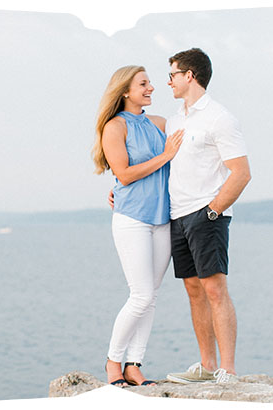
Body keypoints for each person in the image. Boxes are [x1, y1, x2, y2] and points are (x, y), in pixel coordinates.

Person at [159, 48, 251, 384]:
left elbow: (241, 173)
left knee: (215, 290)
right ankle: (207, 365)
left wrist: (212, 211)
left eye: (172, 74)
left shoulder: (219, 117)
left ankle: (228, 369)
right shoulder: (174, 120)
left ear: (190, 75)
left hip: (206, 215)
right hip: (178, 215)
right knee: (194, 291)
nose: (168, 81)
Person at [93, 65, 184, 386]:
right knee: (141, 295)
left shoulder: (159, 123)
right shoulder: (114, 127)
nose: (151, 88)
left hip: (163, 218)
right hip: (132, 218)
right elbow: (125, 174)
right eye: (143, 84)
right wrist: (166, 155)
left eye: (150, 83)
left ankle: (134, 365)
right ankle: (113, 362)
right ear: (125, 92)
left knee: (152, 296)